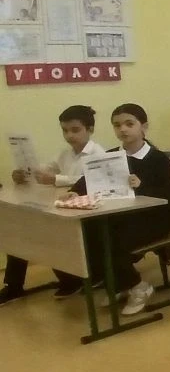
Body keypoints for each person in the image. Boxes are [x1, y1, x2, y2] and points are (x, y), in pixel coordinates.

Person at [64, 104, 170, 315]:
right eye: (117, 125)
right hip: (120, 217)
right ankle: (122, 284)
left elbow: (169, 196)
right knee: (89, 233)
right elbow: (87, 180)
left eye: (129, 124)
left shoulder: (158, 159)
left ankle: (137, 286)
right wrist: (74, 192)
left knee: (112, 238)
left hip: (154, 220)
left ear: (143, 126)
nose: (123, 129)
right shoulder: (111, 156)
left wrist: (141, 186)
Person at [1, 105, 106, 304]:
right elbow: (47, 168)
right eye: (65, 130)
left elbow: (87, 180)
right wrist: (25, 172)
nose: (69, 135)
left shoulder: (98, 153)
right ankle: (13, 285)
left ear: (90, 129)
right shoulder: (65, 153)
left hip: (85, 212)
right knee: (19, 230)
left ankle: (73, 277)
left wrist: (56, 179)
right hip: (63, 207)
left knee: (47, 233)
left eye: (75, 130)